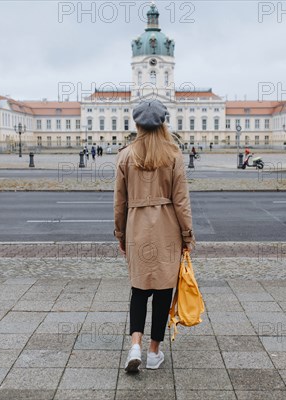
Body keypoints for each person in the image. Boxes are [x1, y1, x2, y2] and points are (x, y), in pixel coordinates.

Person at [114, 99, 195, 373]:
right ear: (163, 124)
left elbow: (119, 201)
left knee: (138, 289)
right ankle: (153, 351)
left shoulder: (126, 156)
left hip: (136, 226)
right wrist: (187, 234)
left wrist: (120, 234)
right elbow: (181, 200)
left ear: (137, 124)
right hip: (167, 229)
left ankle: (134, 344)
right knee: (162, 292)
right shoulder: (173, 155)